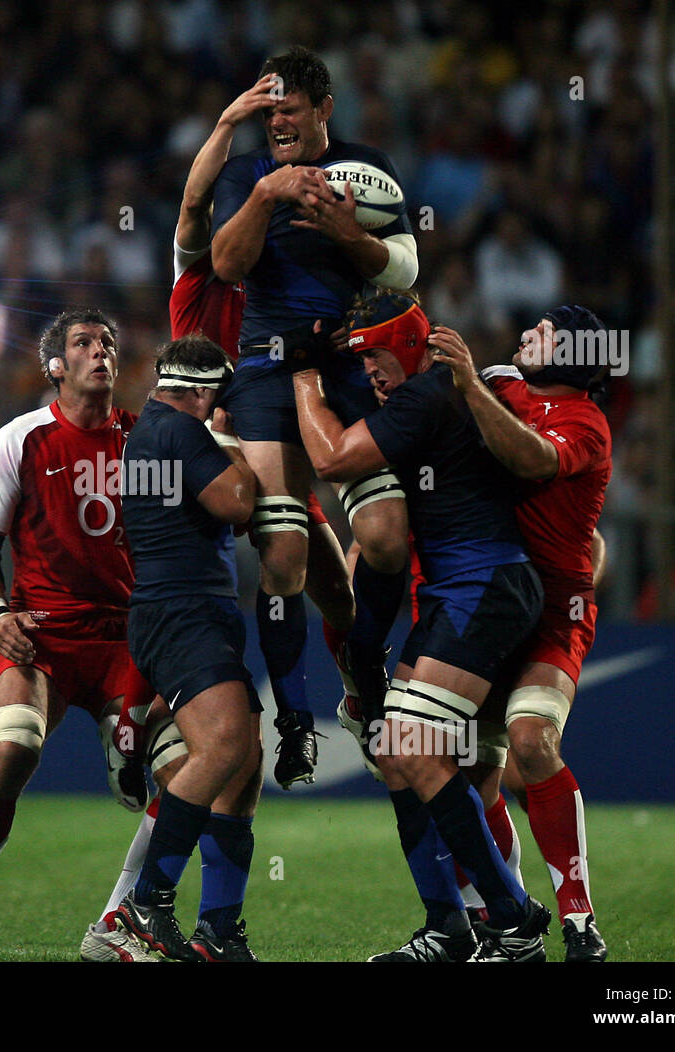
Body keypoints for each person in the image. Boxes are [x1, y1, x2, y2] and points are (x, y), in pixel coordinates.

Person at [292, 289, 552, 962]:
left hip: (485, 583)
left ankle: (513, 916)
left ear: (408, 343)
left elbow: (332, 459)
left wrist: (302, 381)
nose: (371, 370)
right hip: (458, 588)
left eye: (377, 353)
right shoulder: (428, 394)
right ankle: (446, 925)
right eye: (362, 359)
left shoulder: (426, 395)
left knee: (408, 746)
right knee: (395, 753)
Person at [0, 308, 186, 963]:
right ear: (55, 366)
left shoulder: (146, 441)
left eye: (108, 341)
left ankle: (115, 921)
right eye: (84, 343)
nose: (101, 351)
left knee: (189, 775)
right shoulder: (19, 439)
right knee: (11, 752)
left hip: (128, 644)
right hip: (41, 638)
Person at [209, 47, 418, 774]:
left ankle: (364, 678)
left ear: (323, 109)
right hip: (269, 364)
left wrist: (346, 233)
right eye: (268, 114)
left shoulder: (369, 168)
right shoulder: (249, 175)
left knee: (388, 540)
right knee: (285, 552)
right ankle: (294, 723)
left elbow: (406, 269)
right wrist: (267, 198)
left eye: (288, 111)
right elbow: (227, 265)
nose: (277, 125)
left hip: (351, 363)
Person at [427, 306, 614, 962]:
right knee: (464, 776)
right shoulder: (502, 381)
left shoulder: (586, 423)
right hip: (488, 604)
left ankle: (579, 921)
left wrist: (471, 386)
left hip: (554, 614)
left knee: (533, 740)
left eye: (544, 331)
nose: (527, 335)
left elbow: (532, 460)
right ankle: (506, 924)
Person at [114, 334, 262, 962]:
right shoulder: (179, 430)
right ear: (203, 391)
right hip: (183, 611)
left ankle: (219, 930)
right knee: (226, 743)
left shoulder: (152, 431)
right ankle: (144, 903)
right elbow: (237, 503)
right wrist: (231, 443)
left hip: (180, 609)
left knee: (243, 760)